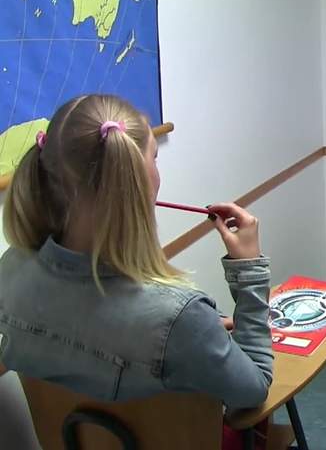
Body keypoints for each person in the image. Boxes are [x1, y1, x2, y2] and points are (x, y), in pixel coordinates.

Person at [0, 94, 273, 446]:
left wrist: (196, 338)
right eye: (154, 157)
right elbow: (254, 388)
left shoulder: (11, 271)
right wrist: (248, 269)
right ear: (133, 179)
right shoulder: (181, 319)